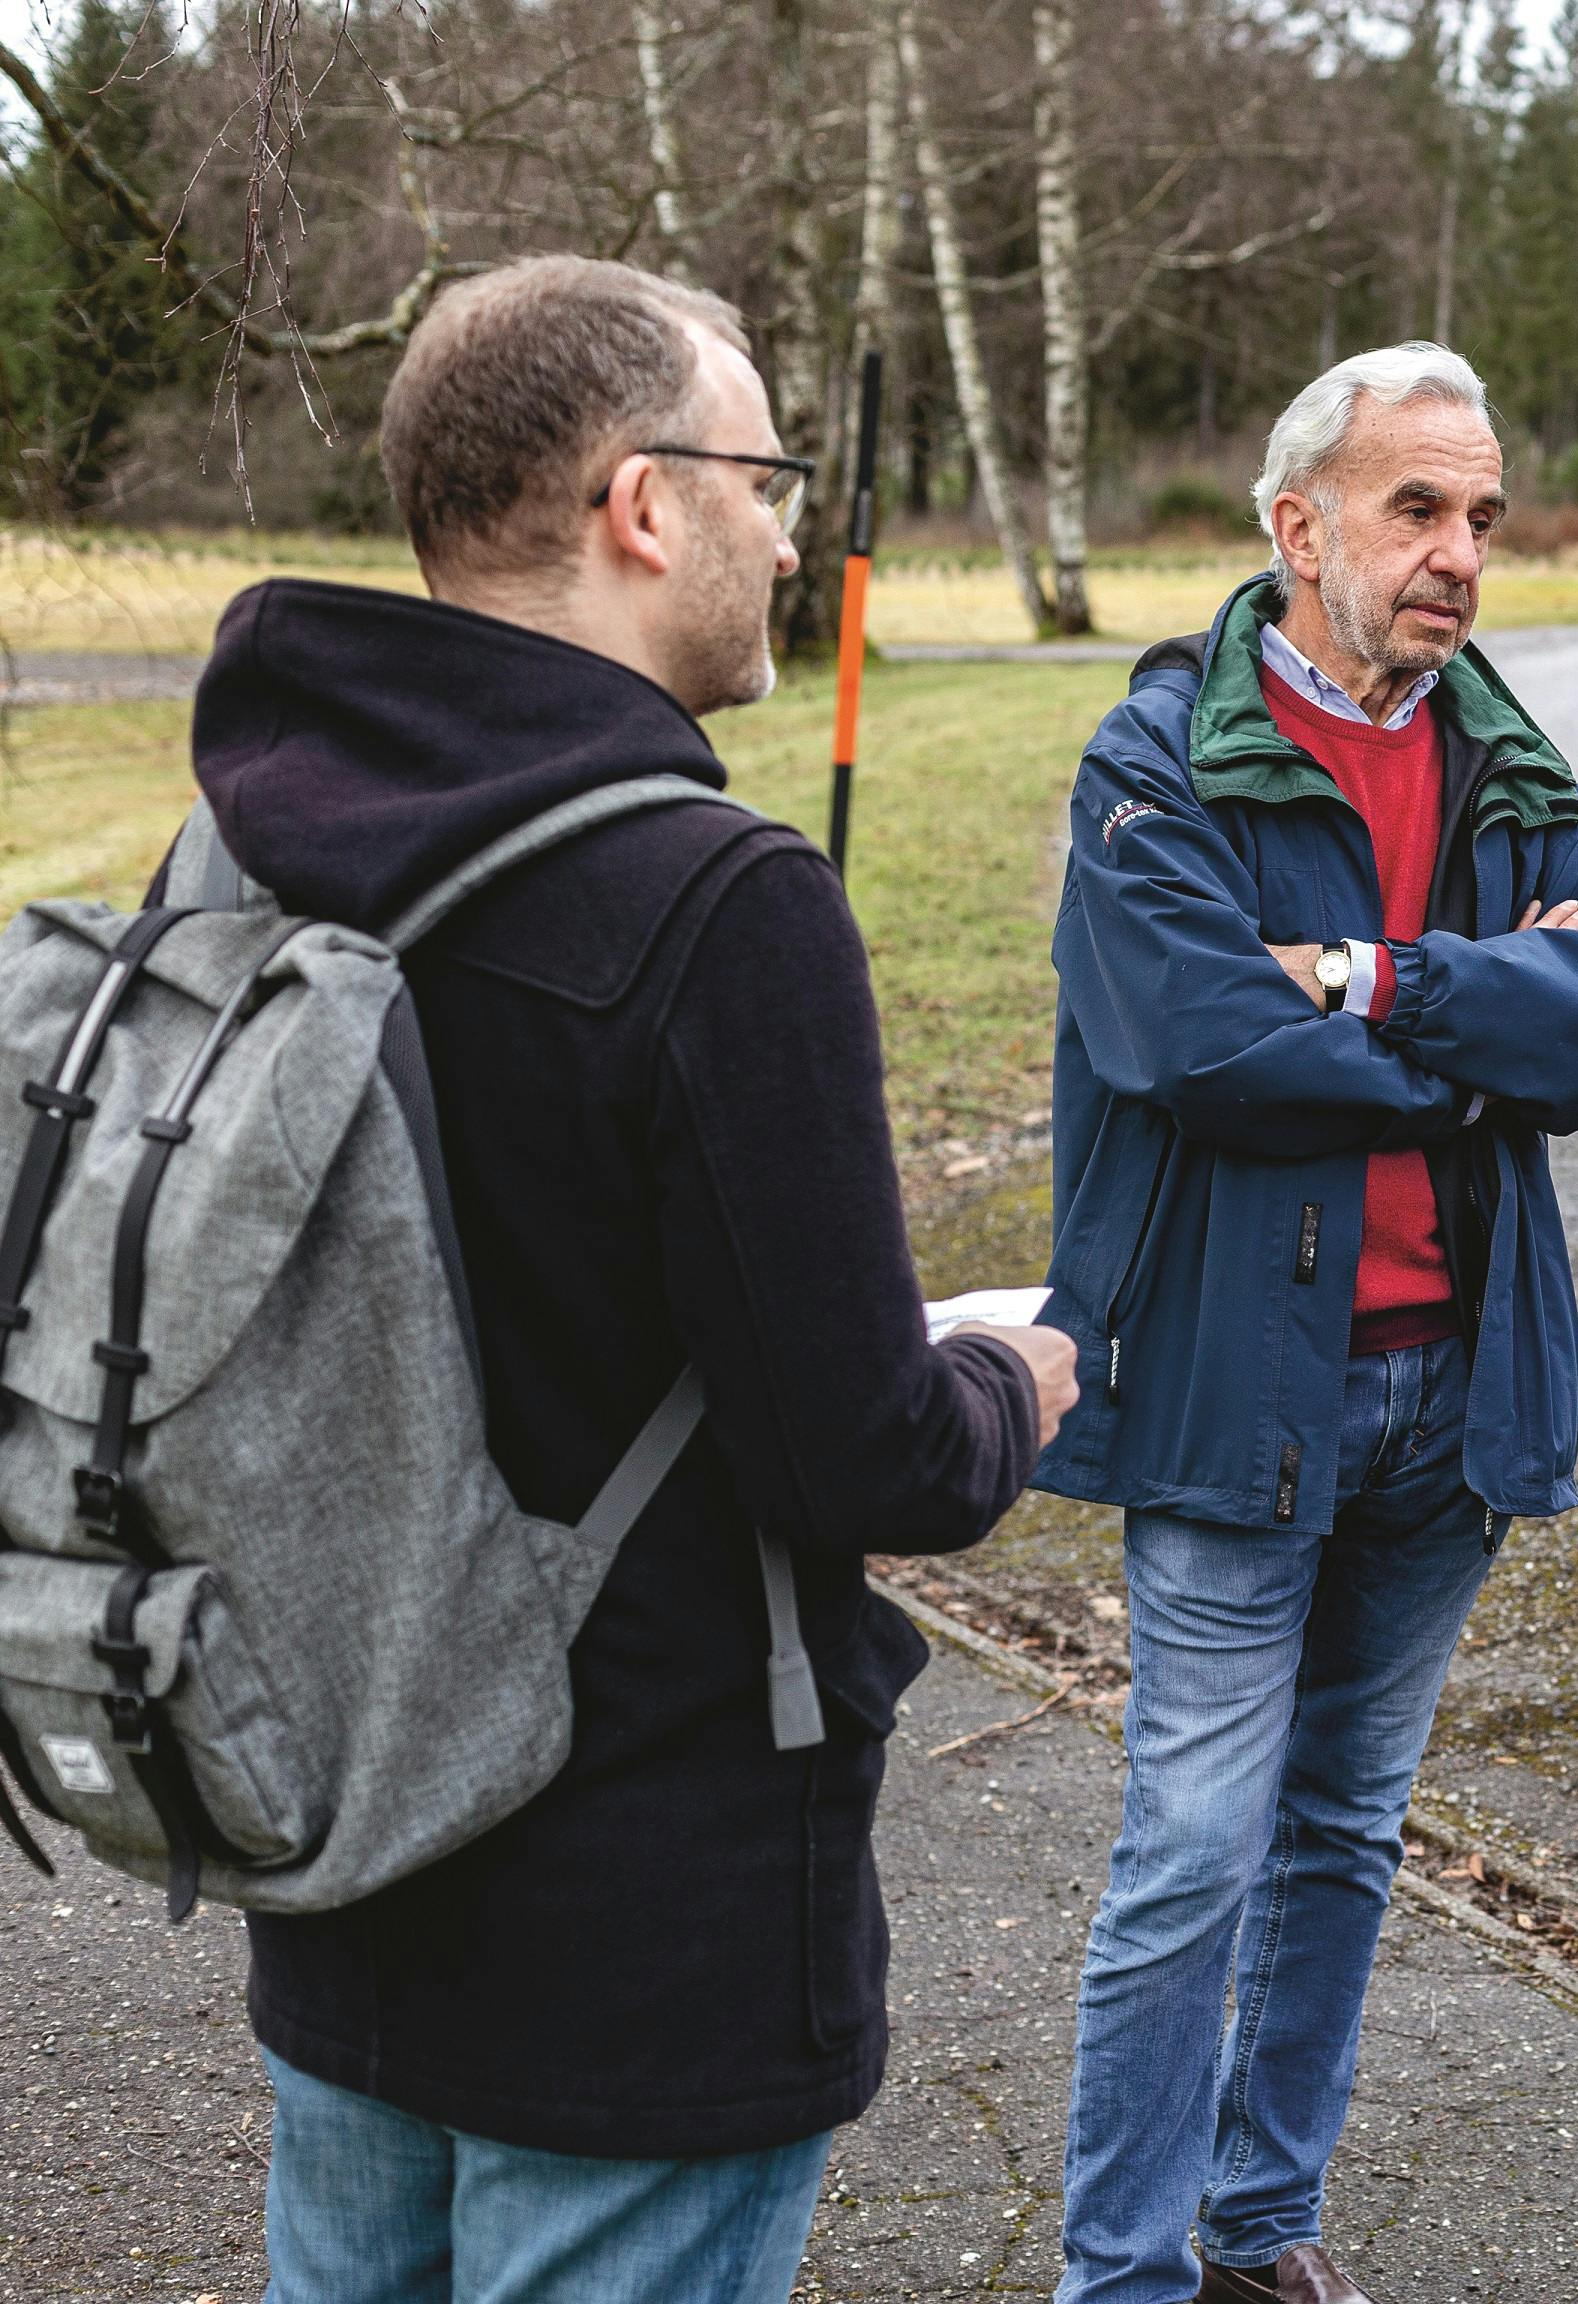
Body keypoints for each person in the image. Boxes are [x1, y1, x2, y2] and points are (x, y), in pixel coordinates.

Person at [197, 255, 1081, 2302]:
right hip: (646, 1926)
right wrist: (1021, 1378)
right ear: (641, 503)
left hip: (338, 1854)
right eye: (767, 476)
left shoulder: (244, 848)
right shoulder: (717, 902)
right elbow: (863, 1458)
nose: (792, 527)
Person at [1037, 342, 1578, 2304]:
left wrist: (1366, 981)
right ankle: (1123, 2276)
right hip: (1244, 1389)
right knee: (1192, 1857)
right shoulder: (1159, 757)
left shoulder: (1505, 752)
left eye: (1482, 514)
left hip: (1452, 1396)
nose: (1460, 553)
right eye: (1419, 509)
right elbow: (1196, 1042)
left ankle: (1257, 2234)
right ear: (1296, 524)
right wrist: (1480, 1036)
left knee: (1343, 1841)